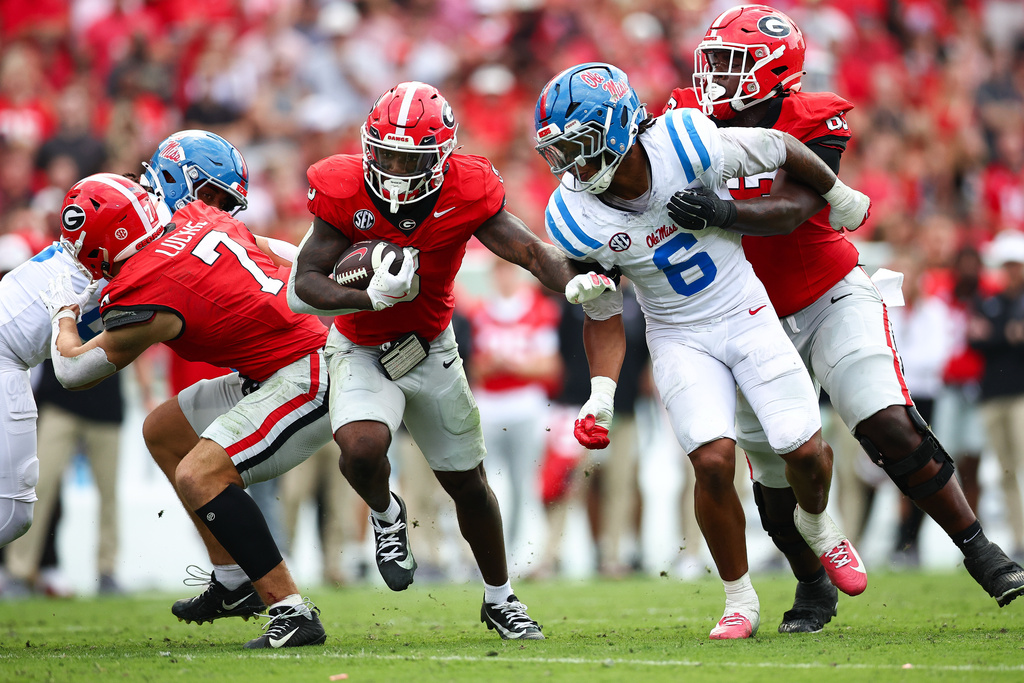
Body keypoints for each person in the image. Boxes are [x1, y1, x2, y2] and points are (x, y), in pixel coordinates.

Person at [663, 3, 1024, 632]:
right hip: (744, 317)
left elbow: (793, 209)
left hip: (828, 291)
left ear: (776, 72)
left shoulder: (815, 119)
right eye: (713, 61)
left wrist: (719, 211)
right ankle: (811, 587)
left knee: (888, 421)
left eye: (732, 64)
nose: (715, 76)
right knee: (777, 473)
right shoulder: (684, 120)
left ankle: (982, 552)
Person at [534, 61, 870, 640]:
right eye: (560, 151)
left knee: (804, 451)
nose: (572, 165)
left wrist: (838, 196)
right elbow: (603, 311)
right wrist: (602, 394)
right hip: (678, 335)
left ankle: (818, 525)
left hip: (744, 311)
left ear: (616, 128)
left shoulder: (684, 141)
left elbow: (780, 146)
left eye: (581, 147)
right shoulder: (572, 214)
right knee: (712, 462)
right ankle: (739, 599)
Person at [288, 81, 614, 640]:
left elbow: (531, 251)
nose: (391, 169)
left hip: (431, 347)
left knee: (468, 483)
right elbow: (307, 282)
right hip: (361, 345)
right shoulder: (341, 188)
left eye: (407, 158)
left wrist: (576, 280)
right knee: (361, 449)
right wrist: (366, 298)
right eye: (384, 154)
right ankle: (387, 514)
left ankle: (500, 597)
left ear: (441, 158)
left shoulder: (468, 189)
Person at [42, 167, 332, 650]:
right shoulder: (197, 215)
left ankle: (291, 610)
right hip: (280, 361)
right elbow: (272, 249)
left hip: (308, 372)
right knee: (163, 431)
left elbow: (73, 370)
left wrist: (63, 314)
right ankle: (234, 580)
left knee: (199, 474)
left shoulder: (150, 291)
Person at [0, 238, 103, 550]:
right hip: (10, 362)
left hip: (14, 366)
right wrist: (66, 318)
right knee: (14, 513)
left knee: (16, 513)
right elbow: (72, 373)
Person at [969, 230, 1024, 562]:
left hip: (1019, 394)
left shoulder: (992, 305)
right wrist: (1007, 336)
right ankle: (1019, 538)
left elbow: (989, 336)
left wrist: (996, 335)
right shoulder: (989, 300)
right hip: (993, 394)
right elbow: (977, 340)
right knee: (1006, 471)